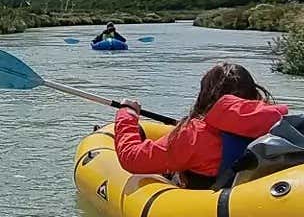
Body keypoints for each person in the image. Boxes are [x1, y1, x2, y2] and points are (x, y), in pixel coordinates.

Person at [112, 62, 288, 189]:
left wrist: (127, 114)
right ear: (253, 92)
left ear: (205, 94)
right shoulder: (278, 125)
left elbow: (132, 158)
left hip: (208, 212)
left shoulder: (194, 135)